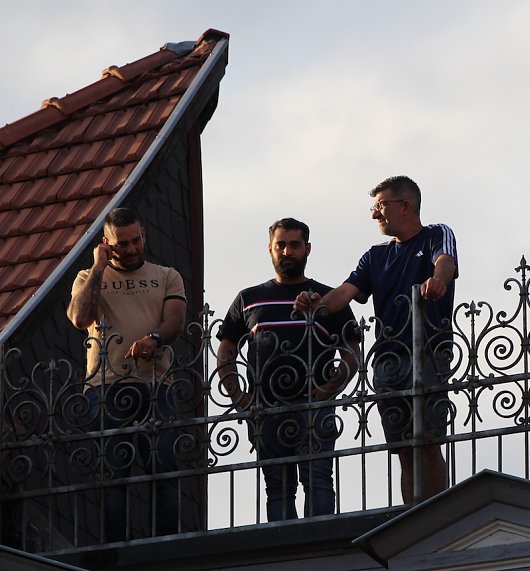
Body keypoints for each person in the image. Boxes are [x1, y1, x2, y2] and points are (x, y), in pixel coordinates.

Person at [294, 175, 458, 504]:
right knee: (403, 448)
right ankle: (413, 516)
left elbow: (445, 262)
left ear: (406, 206)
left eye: (381, 206)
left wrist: (438, 281)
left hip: (427, 350)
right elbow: (344, 292)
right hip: (387, 359)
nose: (375, 215)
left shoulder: (436, 235)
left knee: (426, 441)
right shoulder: (374, 256)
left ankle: (439, 514)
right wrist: (316, 305)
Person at [216, 218, 359, 521]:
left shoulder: (327, 299)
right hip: (266, 407)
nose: (287, 251)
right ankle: (282, 546)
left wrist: (325, 391)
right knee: (277, 488)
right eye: (280, 245)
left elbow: (352, 352)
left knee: (318, 480)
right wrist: (240, 398)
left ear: (307, 249)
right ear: (269, 249)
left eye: (294, 245)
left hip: (315, 405)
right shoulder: (249, 299)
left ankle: (319, 544)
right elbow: (227, 348)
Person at [67, 207, 187, 541]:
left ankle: (165, 543)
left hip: (156, 383)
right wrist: (98, 266)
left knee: (164, 467)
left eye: (137, 240)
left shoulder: (166, 275)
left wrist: (155, 338)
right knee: (111, 473)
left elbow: (175, 321)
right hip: (104, 386)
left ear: (143, 234)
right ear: (106, 243)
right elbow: (79, 318)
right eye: (123, 244)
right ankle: (115, 548)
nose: (133, 249)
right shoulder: (88, 277)